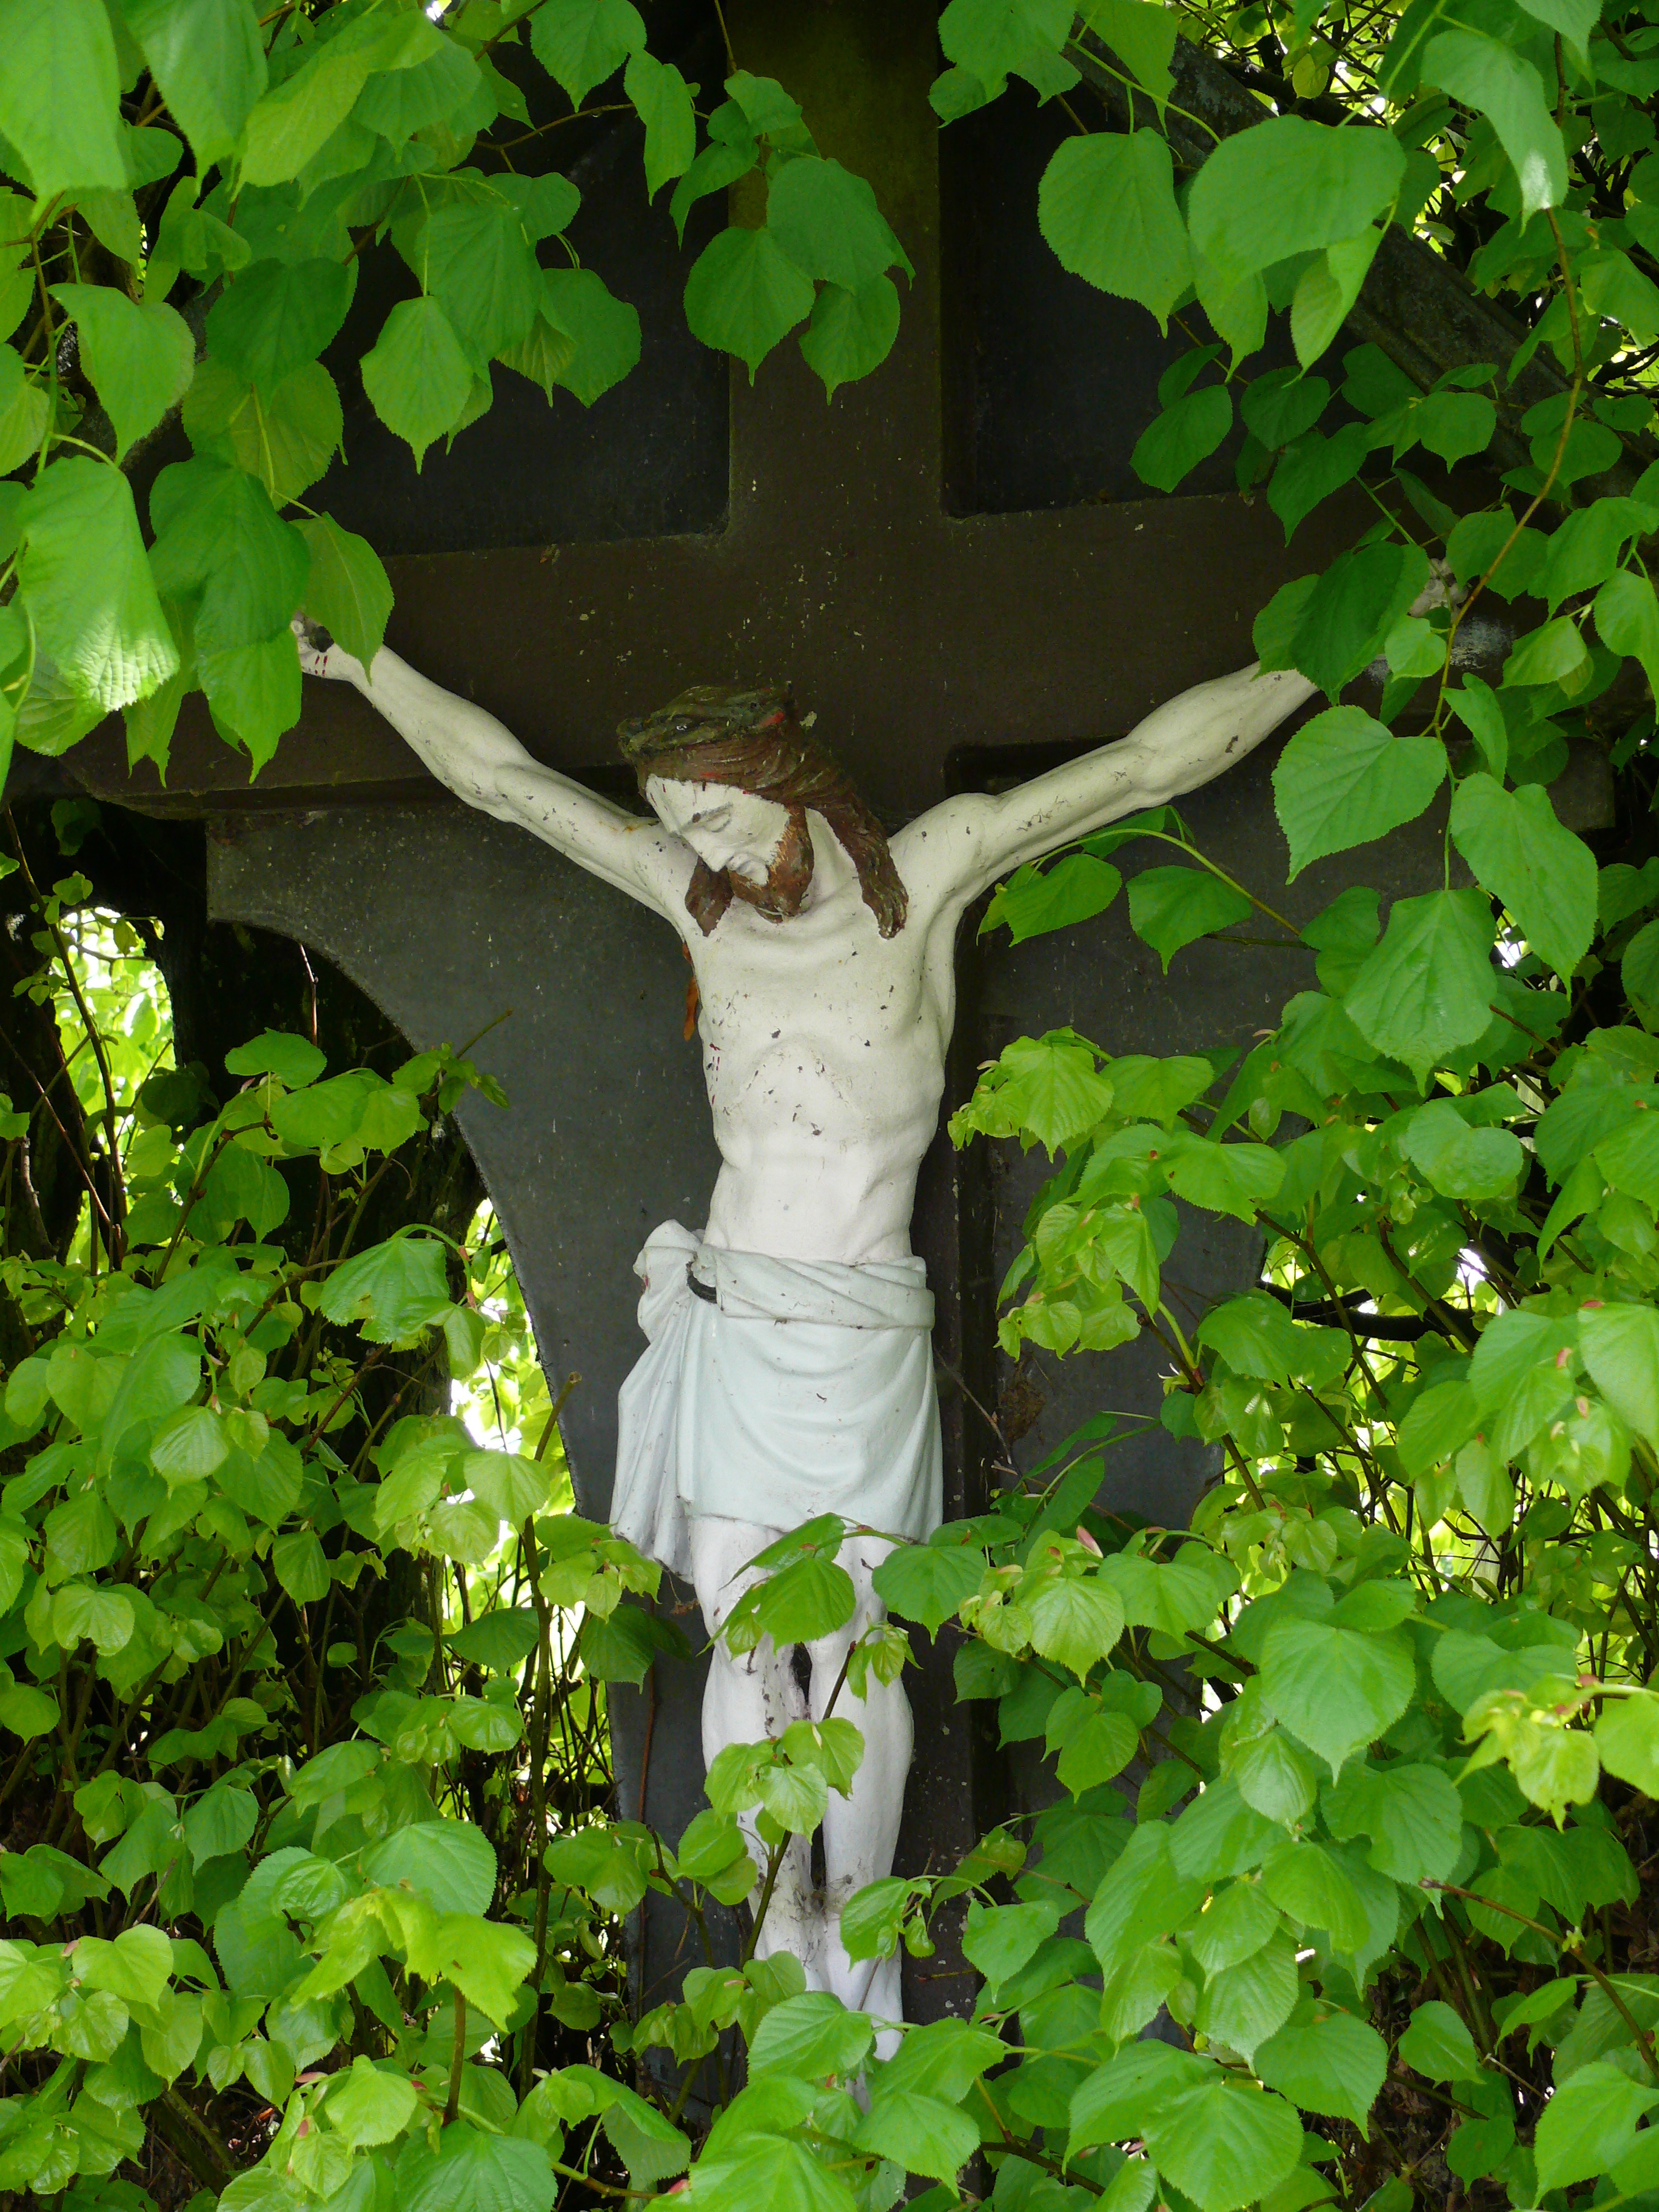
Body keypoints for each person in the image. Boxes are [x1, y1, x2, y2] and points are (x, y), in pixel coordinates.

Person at [294, 618, 1315, 2021]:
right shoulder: (691, 900)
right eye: (681, 828)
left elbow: (1145, 767)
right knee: (740, 1636)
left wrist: (1320, 658)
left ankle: (863, 1955)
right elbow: (507, 785)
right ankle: (779, 1936)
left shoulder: (933, 872)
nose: (705, 852)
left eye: (718, 817)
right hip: (738, 1319)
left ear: (787, 782)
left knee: (856, 1646)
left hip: (860, 1338)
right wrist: (368, 668)